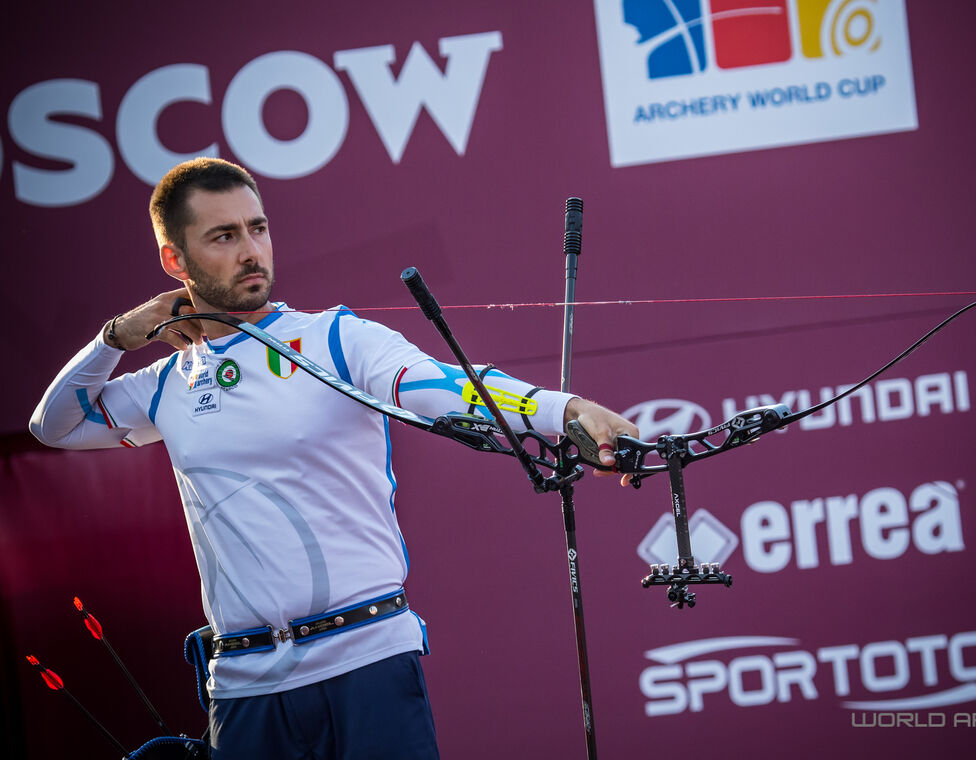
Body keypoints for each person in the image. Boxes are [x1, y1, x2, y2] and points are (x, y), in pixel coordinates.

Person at [28, 157, 638, 759]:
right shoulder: (166, 383)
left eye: (258, 228)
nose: (251, 251)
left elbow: (448, 386)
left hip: (366, 663)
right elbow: (55, 426)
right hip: (245, 687)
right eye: (224, 236)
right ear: (175, 261)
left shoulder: (337, 339)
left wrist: (565, 409)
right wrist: (115, 337)